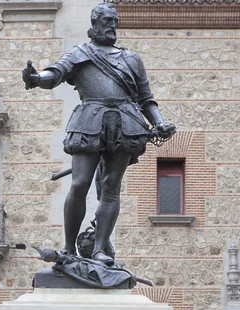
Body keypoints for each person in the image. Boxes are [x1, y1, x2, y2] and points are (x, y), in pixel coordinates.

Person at [22, 3, 176, 266]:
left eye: (115, 21)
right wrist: (37, 77)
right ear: (94, 23)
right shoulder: (80, 53)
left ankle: (100, 249)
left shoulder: (132, 59)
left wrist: (159, 123)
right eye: (106, 20)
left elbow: (146, 99)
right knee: (80, 183)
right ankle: (69, 248)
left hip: (126, 123)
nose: (112, 25)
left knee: (110, 187)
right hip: (89, 120)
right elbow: (56, 74)